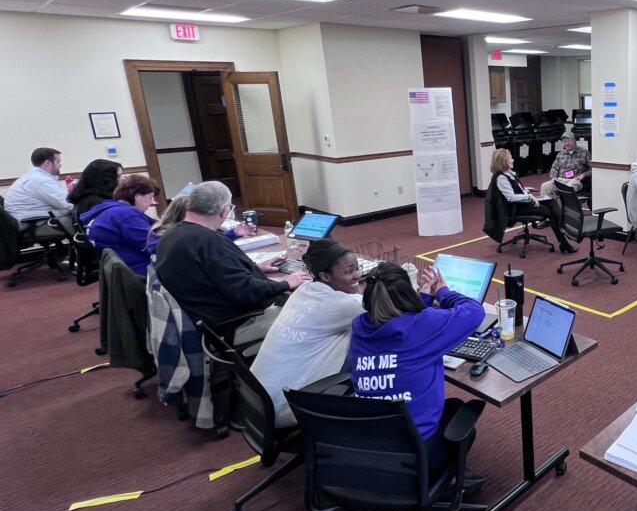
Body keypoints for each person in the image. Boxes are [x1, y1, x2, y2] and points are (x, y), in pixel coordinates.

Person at [350, 263, 485, 487]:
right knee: (460, 416)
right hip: (415, 452)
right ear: (407, 294)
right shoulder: (423, 325)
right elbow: (474, 311)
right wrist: (443, 292)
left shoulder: (360, 328)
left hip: (370, 443)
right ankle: (441, 481)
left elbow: (400, 323)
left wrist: (423, 298)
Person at [155, 181, 308, 340]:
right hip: (234, 324)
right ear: (224, 211)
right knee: (310, 315)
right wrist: (286, 283)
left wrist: (256, 268)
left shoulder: (170, 235)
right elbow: (246, 292)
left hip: (203, 318)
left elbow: (209, 271)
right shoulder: (208, 241)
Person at [250, 238, 365, 428]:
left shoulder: (303, 289)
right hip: (285, 408)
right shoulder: (344, 305)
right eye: (349, 271)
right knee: (368, 339)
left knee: (344, 334)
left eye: (357, 268)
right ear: (325, 277)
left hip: (257, 401)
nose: (358, 275)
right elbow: (391, 310)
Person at [483, 148, 575, 254]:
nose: (513, 160)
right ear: (503, 161)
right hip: (516, 208)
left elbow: (514, 188)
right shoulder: (501, 178)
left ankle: (562, 237)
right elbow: (510, 197)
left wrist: (525, 189)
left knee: (552, 202)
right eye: (510, 158)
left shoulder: (508, 173)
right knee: (550, 212)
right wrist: (529, 197)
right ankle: (563, 241)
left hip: (523, 202)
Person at [79, 174, 161, 275]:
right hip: (139, 270)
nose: (151, 203)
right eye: (150, 197)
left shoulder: (110, 210)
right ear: (137, 197)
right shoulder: (125, 215)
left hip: (119, 271)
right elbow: (154, 246)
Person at [4, 148, 70, 234]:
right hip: (31, 223)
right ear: (47, 163)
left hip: (27, 219)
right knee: (81, 218)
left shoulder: (35, 176)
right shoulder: (40, 180)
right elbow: (65, 204)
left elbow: (61, 200)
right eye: (58, 162)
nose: (60, 165)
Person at [538, 134, 591, 198]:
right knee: (545, 186)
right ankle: (550, 207)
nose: (566, 143)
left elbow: (592, 168)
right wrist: (553, 177)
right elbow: (554, 168)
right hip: (560, 180)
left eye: (568, 141)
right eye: (564, 142)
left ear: (574, 141)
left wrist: (584, 175)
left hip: (575, 181)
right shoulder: (560, 154)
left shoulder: (584, 152)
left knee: (567, 188)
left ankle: (570, 207)